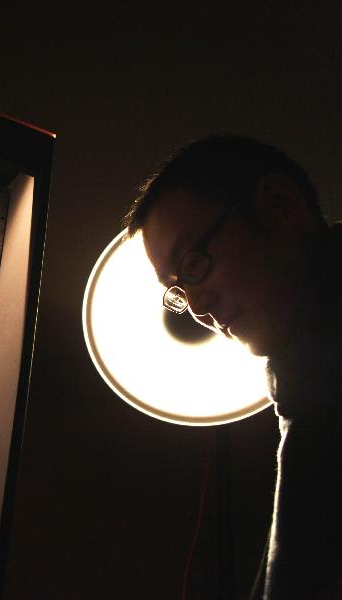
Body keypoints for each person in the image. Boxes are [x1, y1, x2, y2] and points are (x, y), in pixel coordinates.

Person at [123, 135, 342, 599]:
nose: (197, 308)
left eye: (194, 262)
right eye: (178, 290)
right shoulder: (305, 391)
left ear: (280, 204)